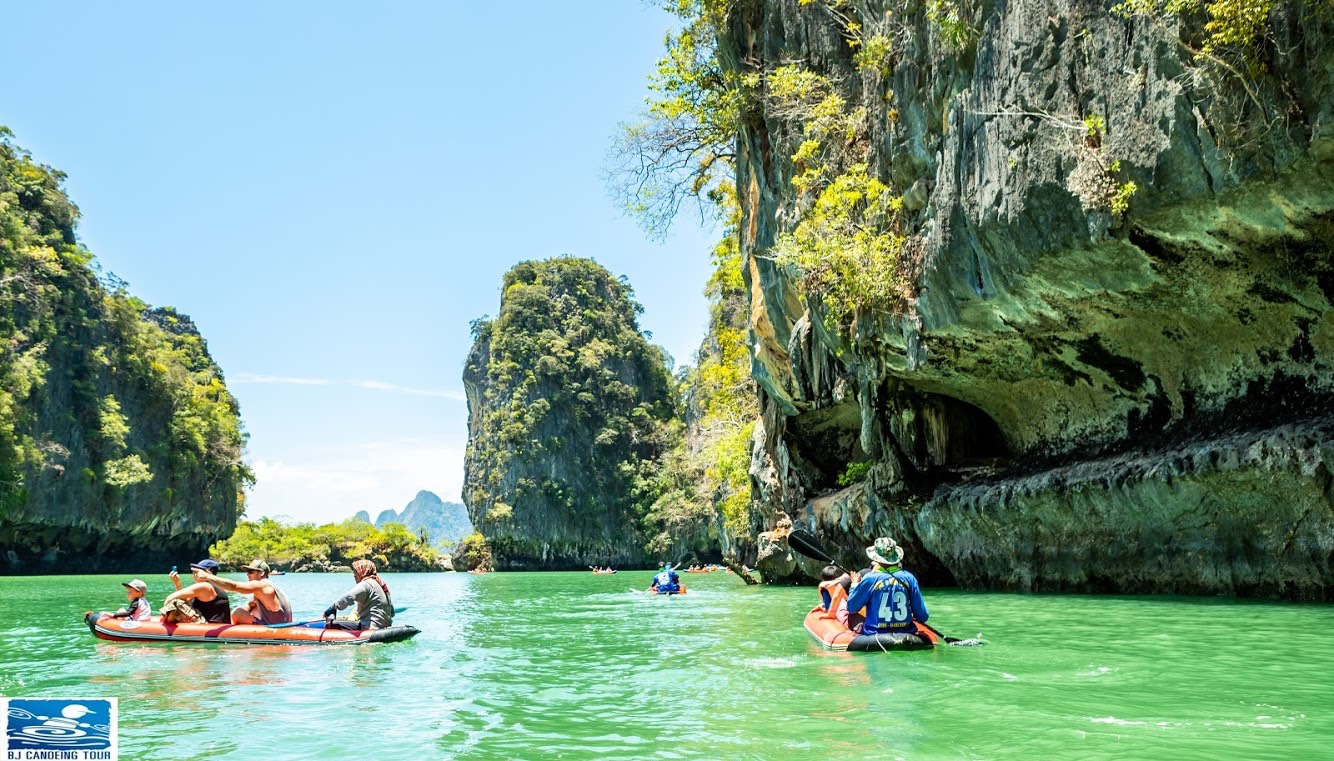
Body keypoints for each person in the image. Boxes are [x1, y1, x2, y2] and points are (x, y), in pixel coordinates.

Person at [844, 537, 928, 636]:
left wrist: (854, 586)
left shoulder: (870, 578)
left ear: (875, 558)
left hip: (876, 634)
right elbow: (922, 616)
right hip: (906, 632)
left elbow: (852, 607)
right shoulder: (909, 578)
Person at [191, 559, 293, 625]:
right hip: (282, 624)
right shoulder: (270, 586)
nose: (247, 575)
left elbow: (234, 586)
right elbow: (249, 606)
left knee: (237, 612)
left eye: (251, 572)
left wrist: (207, 576)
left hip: (276, 628)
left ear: (261, 573)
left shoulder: (261, 585)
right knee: (248, 609)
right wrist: (251, 605)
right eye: (247, 572)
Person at [323, 559, 394, 630]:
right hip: (385, 627)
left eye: (356, 572)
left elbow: (349, 596)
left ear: (363, 571)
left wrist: (332, 608)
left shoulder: (366, 584)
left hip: (371, 627)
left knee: (329, 625)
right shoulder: (381, 584)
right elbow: (392, 612)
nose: (354, 575)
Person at [159, 560, 232, 624]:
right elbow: (185, 601)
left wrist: (163, 616)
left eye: (196, 572)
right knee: (179, 603)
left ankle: (165, 625)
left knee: (175, 603)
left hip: (209, 627)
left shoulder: (204, 586)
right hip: (217, 625)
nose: (194, 574)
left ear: (206, 573)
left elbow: (170, 597)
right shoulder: (215, 586)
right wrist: (178, 584)